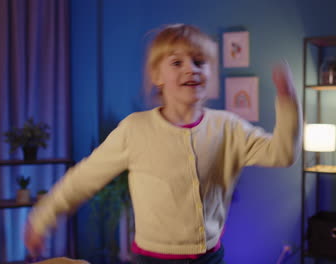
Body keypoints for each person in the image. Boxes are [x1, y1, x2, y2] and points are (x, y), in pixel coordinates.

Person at [25, 24, 302, 264]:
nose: (191, 70)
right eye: (176, 62)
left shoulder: (228, 127)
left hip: (210, 257)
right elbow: (83, 179)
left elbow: (282, 153)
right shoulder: (135, 130)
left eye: (199, 61)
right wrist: (41, 218)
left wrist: (287, 101)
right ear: (157, 76)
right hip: (151, 259)